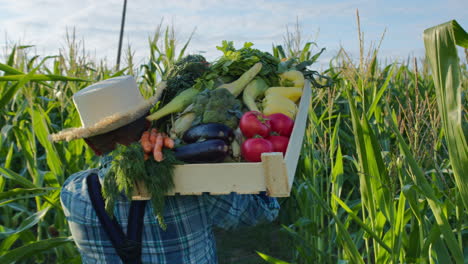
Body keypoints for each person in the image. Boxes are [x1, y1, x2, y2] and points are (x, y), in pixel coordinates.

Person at [49, 75, 280, 264]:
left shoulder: (71, 193)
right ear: (150, 124)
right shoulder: (191, 183)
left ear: (91, 145)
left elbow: (112, 175)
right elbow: (262, 211)